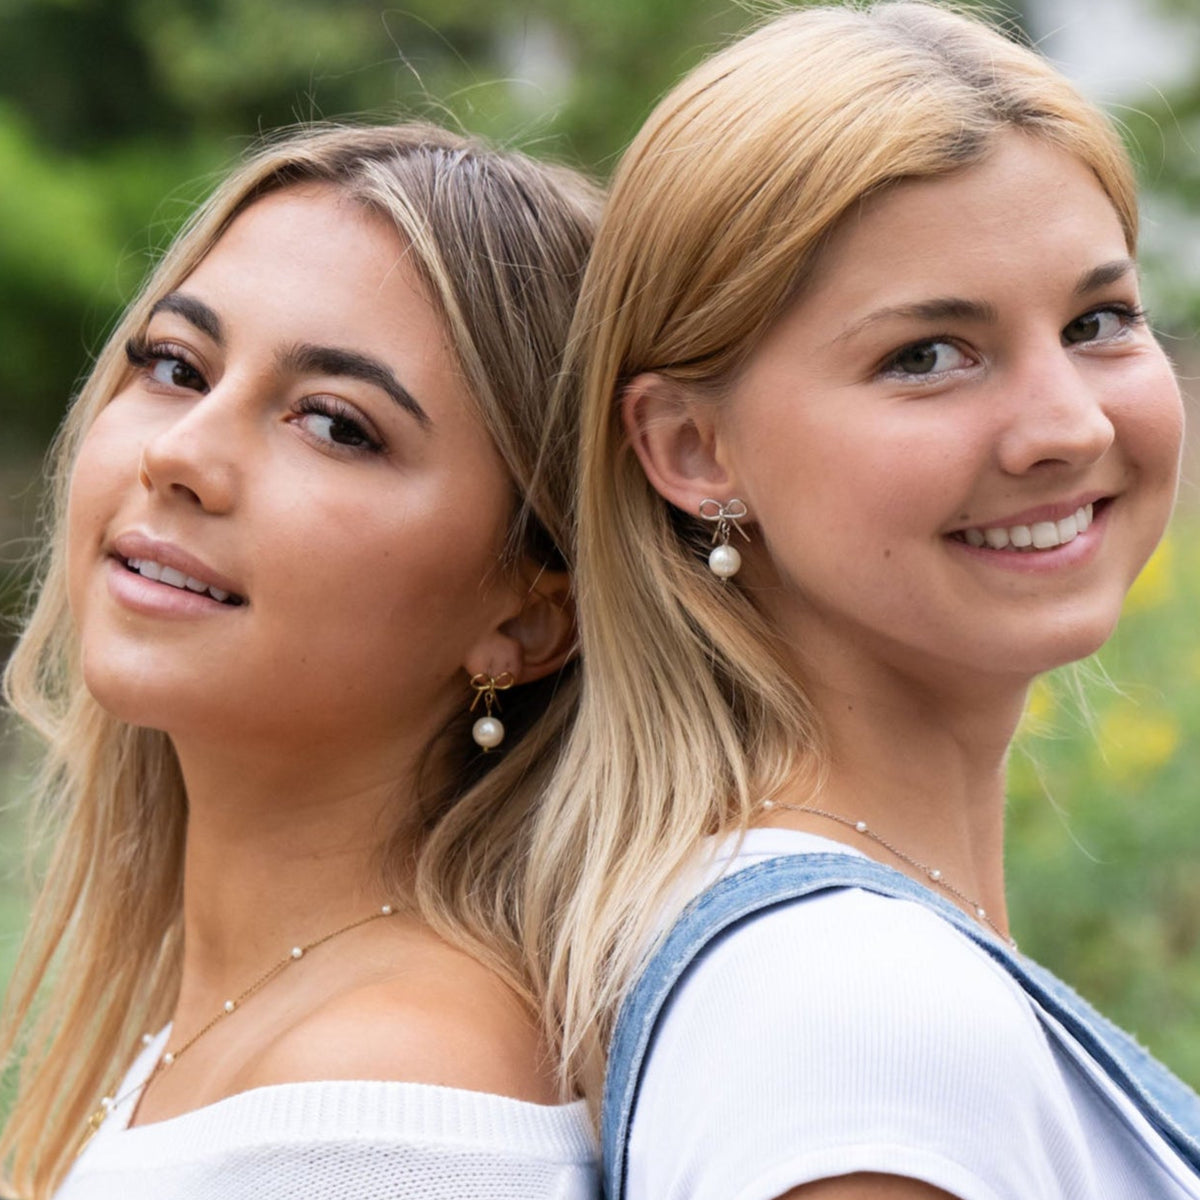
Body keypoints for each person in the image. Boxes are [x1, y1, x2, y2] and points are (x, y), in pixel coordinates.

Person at [523, 3, 1200, 1197]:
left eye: (1097, 322)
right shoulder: (855, 1022)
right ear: (691, 448)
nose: (1069, 426)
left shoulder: (832, 973)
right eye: (926, 355)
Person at [0, 122, 600, 1200]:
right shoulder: (264, 1031)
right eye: (176, 366)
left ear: (526, 622)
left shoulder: (388, 1114)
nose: (179, 453)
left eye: (333, 425)